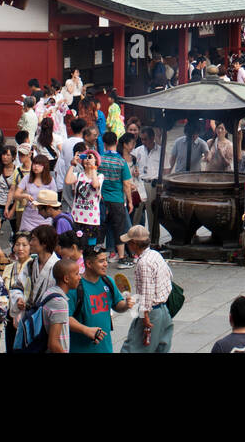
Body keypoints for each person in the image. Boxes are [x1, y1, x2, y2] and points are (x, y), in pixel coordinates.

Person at [119, 225, 174, 352]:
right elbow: (169, 277)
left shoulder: (143, 263)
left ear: (134, 244)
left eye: (128, 242)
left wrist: (145, 316)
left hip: (151, 312)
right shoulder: (155, 254)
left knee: (134, 348)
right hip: (163, 310)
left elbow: (146, 292)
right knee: (162, 346)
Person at [68, 245, 133, 353]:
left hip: (105, 348)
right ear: (89, 264)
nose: (106, 264)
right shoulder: (75, 287)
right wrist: (86, 330)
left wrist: (126, 305)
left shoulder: (108, 282)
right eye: (101, 261)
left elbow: (117, 304)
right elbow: (65, 318)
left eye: (106, 260)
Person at [98, 130, 134, 265]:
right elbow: (126, 184)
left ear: (104, 143)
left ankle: (98, 256)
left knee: (102, 228)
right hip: (117, 199)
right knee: (119, 228)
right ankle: (121, 257)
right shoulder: (121, 162)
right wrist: (129, 201)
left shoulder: (100, 160)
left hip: (102, 200)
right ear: (116, 142)